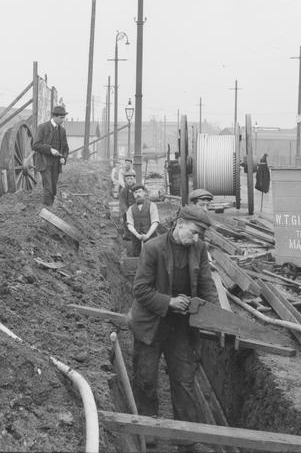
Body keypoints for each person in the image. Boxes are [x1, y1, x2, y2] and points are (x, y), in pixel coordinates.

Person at [127, 205, 218, 439]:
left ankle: (186, 439)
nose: (197, 238)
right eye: (194, 232)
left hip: (181, 328)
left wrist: (216, 319)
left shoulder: (199, 248)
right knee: (146, 380)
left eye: (200, 234)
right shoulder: (153, 248)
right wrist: (169, 302)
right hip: (150, 325)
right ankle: (148, 434)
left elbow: (207, 287)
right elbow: (140, 290)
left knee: (184, 381)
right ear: (180, 223)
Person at [32, 105, 69, 206]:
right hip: (44, 163)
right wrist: (50, 150)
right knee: (48, 188)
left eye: (63, 118)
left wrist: (63, 158)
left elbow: (65, 148)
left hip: (56, 164)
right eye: (61, 118)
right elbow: (35, 145)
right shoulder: (42, 127)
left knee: (53, 189)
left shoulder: (62, 131)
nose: (63, 120)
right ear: (55, 117)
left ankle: (50, 209)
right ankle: (46, 210)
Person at [125, 183, 160, 257]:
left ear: (144, 193)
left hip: (151, 236)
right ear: (133, 195)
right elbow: (129, 224)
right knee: (136, 256)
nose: (138, 194)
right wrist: (137, 234)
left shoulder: (152, 205)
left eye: (140, 192)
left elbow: (155, 222)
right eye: (135, 192)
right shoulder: (130, 209)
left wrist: (147, 235)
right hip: (136, 238)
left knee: (152, 256)